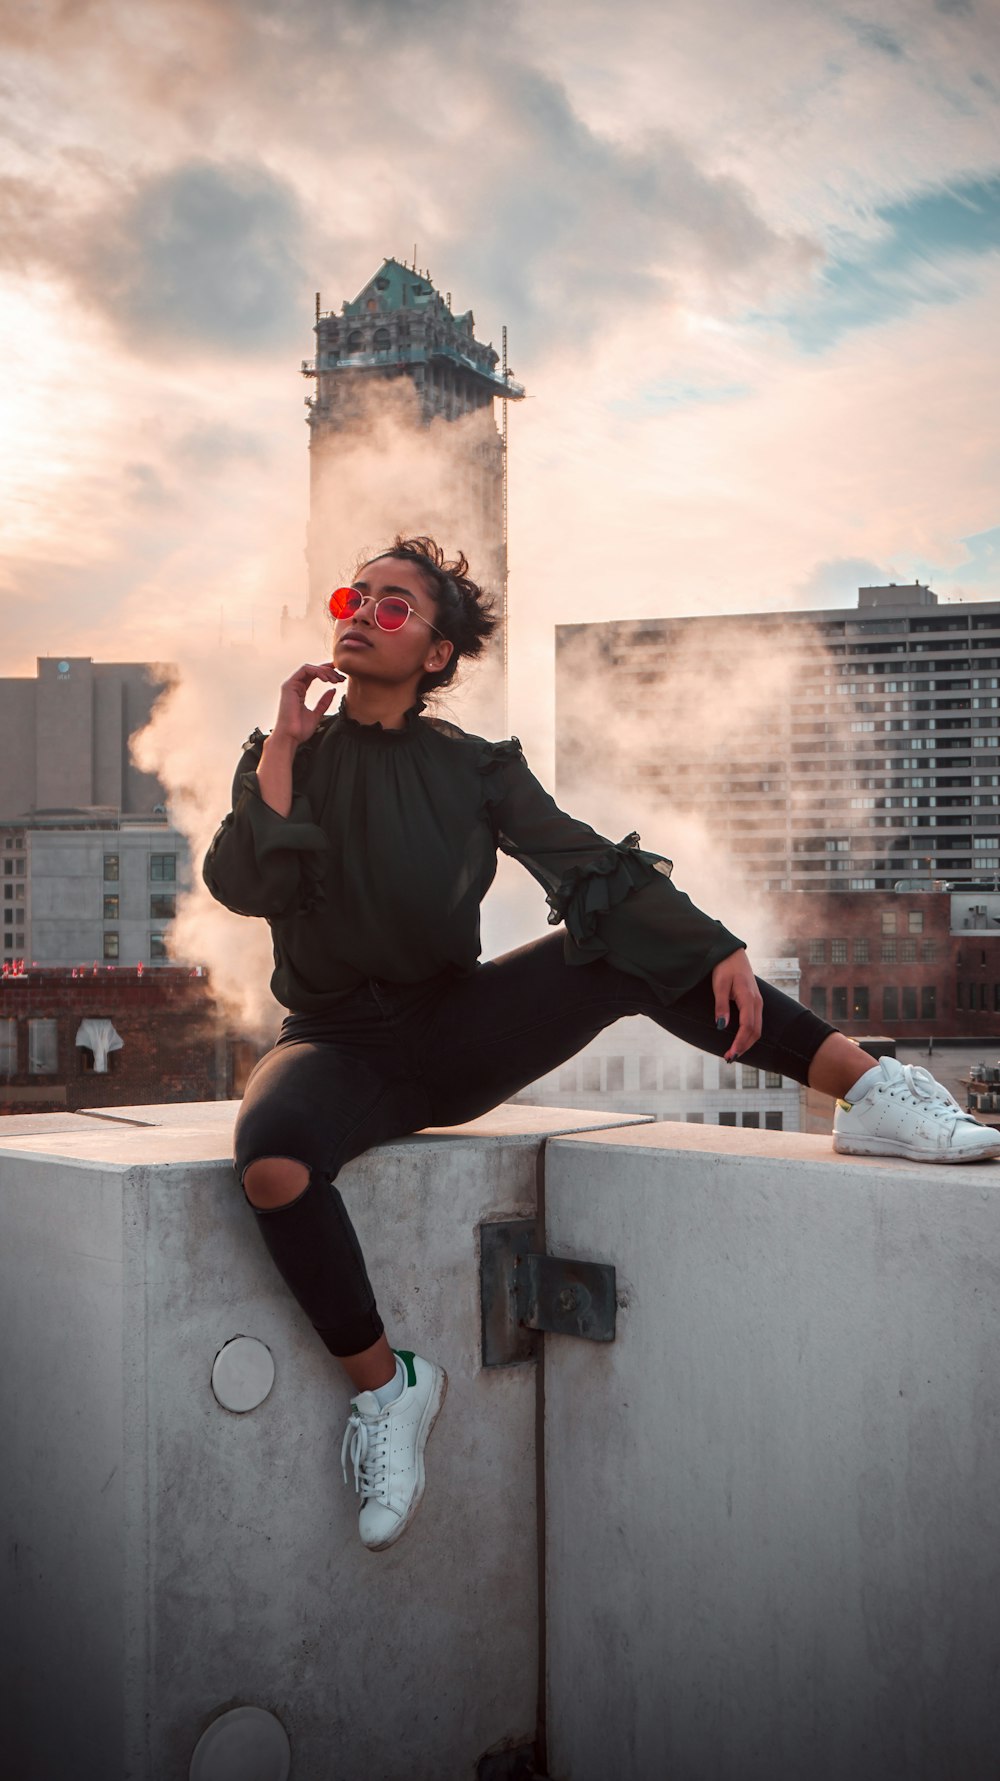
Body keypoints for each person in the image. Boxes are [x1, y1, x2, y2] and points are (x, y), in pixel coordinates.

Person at [203, 536, 1000, 1553]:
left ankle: (873, 1090)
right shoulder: (287, 759)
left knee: (625, 945)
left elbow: (586, 863)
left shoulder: (475, 769)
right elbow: (246, 886)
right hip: (334, 1041)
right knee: (271, 1163)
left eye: (393, 604)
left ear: (438, 652)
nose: (361, 611)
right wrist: (279, 743)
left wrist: (708, 943)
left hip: (454, 1032)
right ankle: (388, 1389)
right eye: (352, 596)